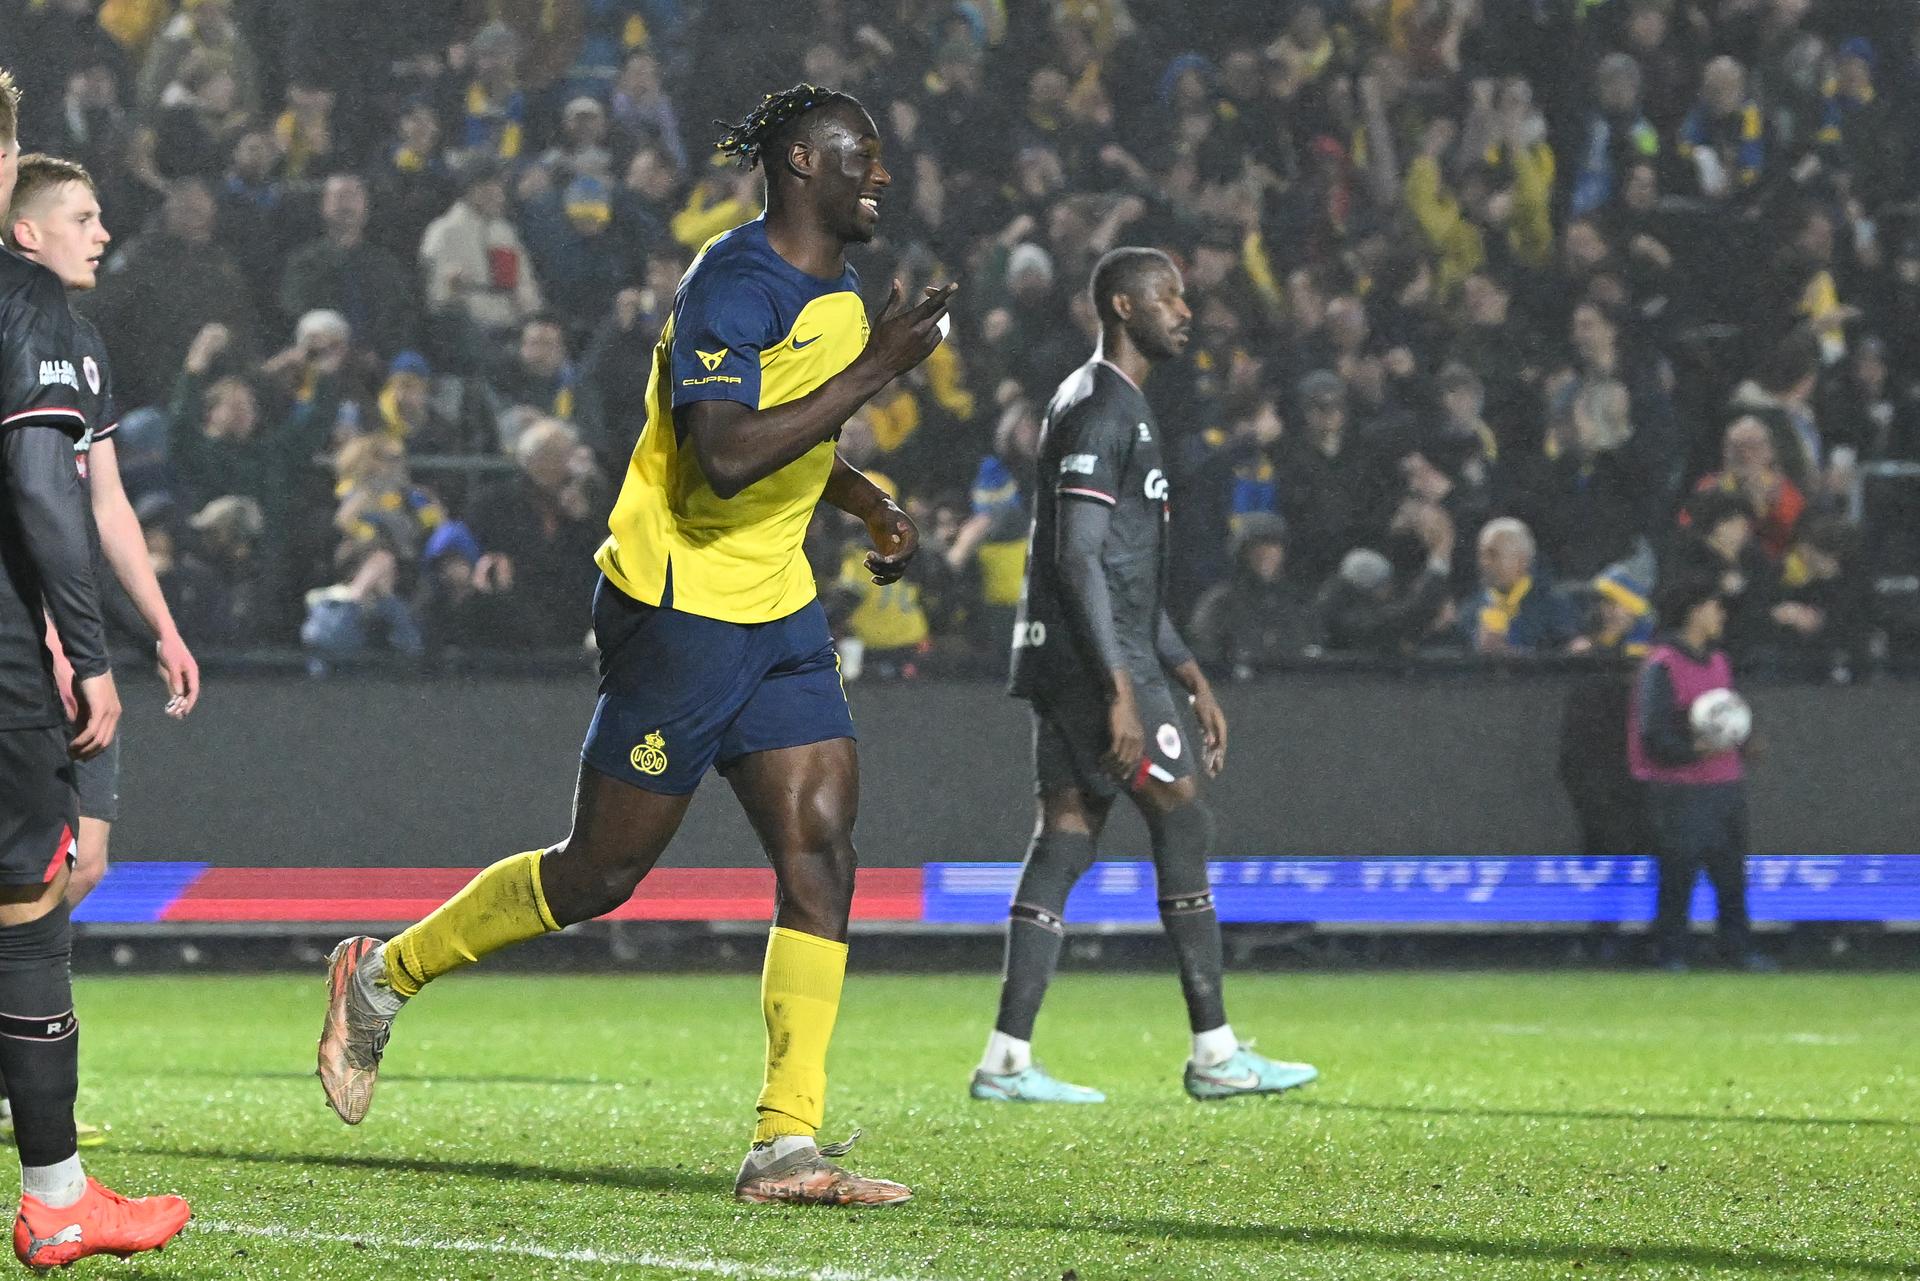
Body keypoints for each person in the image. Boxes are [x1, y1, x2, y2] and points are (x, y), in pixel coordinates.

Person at [316, 83, 954, 1207]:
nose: (882, 178)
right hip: (678, 604)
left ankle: (785, 1144)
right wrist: (875, 374)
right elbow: (723, 453)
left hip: (776, 606)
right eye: (863, 158)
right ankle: (382, 977)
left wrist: (864, 503)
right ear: (804, 163)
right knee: (598, 873)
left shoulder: (846, 298)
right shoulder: (733, 281)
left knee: (822, 850)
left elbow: (796, 442)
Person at [977, 246, 1316, 1106]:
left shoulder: (1098, 402)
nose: (1185, 311)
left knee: (1066, 834)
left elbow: (1119, 568)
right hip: (1099, 663)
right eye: (1168, 296)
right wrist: (1124, 687)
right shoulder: (1101, 406)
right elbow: (1080, 557)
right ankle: (1215, 1052)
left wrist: (1188, 670)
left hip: (1076, 654)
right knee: (1183, 814)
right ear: (1122, 306)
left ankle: (1007, 1058)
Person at [0, 76, 190, 1268]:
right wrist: (92, 652)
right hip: (11, 650)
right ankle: (61, 1197)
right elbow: (45, 491)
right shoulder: (27, 306)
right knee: (27, 911)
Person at [1628, 574, 1774, 973]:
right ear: (1694, 612)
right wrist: (1696, 751)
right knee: (1679, 873)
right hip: (1680, 789)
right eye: (1715, 606)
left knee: (1731, 874)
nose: (1721, 614)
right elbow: (1653, 733)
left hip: (1725, 784)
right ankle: (1671, 951)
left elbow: (1727, 722)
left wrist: (1745, 744)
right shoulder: (1662, 665)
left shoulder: (1718, 662)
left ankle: (1738, 947)